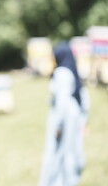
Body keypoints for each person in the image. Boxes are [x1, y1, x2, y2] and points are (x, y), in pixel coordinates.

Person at [38, 42, 90, 186]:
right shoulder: (71, 70)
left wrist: (59, 125)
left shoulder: (61, 72)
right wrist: (84, 119)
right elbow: (83, 96)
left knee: (59, 150)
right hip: (72, 114)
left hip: (63, 115)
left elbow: (62, 100)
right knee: (70, 147)